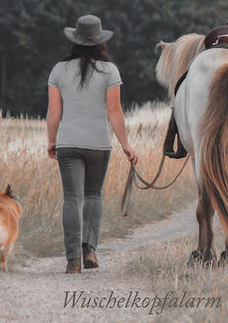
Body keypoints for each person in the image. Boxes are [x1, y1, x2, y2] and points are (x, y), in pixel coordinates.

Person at [46, 14, 139, 274]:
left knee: (71, 198)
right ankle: (89, 250)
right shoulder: (110, 71)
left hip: (68, 143)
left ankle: (72, 260)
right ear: (100, 41)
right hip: (98, 144)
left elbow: (54, 113)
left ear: (75, 40)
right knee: (93, 195)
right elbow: (115, 112)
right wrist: (126, 145)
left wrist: (51, 140)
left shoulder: (58, 70)